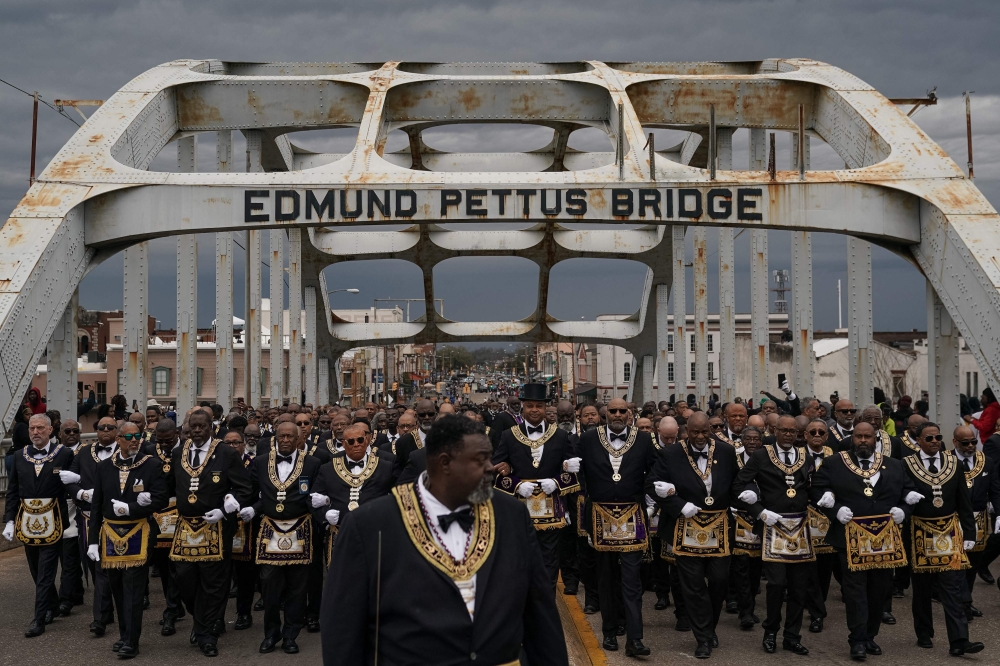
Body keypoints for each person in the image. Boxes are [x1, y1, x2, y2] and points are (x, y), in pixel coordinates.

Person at [322, 414, 568, 665]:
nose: (490, 468)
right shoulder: (371, 525)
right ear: (445, 463)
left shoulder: (511, 513)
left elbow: (540, 613)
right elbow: (342, 629)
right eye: (479, 460)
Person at [809, 421, 918, 661]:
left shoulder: (895, 465)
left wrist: (903, 511)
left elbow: (908, 494)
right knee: (855, 590)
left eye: (867, 437)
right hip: (850, 537)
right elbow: (817, 490)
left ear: (876, 439)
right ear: (852, 438)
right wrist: (835, 509)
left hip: (884, 539)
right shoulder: (834, 463)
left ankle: (870, 635)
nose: (862, 441)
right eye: (858, 436)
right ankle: (857, 639)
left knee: (879, 590)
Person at [170, 409, 252, 657]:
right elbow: (165, 488)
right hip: (185, 526)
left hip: (215, 527)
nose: (196, 431)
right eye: (192, 427)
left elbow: (244, 489)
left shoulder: (226, 453)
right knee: (185, 581)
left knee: (214, 584)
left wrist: (227, 509)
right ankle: (201, 620)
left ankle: (207, 635)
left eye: (201, 427)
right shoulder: (178, 453)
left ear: (211, 428)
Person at [87, 421, 168, 658]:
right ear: (119, 439)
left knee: (133, 588)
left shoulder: (151, 464)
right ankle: (124, 635)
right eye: (129, 436)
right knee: (117, 587)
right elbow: (96, 505)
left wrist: (133, 508)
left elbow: (161, 499)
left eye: (138, 435)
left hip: (139, 531)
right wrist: (93, 540)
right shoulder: (104, 467)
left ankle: (132, 640)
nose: (134, 440)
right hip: (110, 534)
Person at [240, 421, 322, 654]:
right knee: (269, 587)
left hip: (300, 528)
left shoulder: (313, 463)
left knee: (297, 588)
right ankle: (271, 634)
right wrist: (252, 509)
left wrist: (322, 506)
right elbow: (253, 493)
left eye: (289, 436)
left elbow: (314, 496)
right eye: (281, 436)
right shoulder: (261, 461)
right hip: (270, 529)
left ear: (299, 439)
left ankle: (290, 635)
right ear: (275, 438)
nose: (285, 440)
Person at [733, 415, 813, 655]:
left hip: (799, 527)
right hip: (773, 525)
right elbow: (739, 485)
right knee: (776, 584)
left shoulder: (805, 456)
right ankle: (770, 632)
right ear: (775, 431)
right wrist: (758, 511)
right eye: (784, 431)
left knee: (799, 588)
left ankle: (792, 636)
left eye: (793, 432)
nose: (789, 435)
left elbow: (811, 486)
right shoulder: (761, 456)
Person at [902, 422, 983, 655]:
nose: (935, 441)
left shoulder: (954, 464)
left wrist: (970, 533)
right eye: (929, 438)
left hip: (948, 532)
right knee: (922, 589)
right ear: (919, 440)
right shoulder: (906, 465)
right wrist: (907, 495)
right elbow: (899, 492)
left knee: (952, 588)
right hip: (918, 532)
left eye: (938, 437)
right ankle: (924, 632)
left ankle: (959, 641)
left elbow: (963, 502)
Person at [492, 383, 580, 591]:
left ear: (545, 409)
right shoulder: (509, 435)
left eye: (538, 406)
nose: (534, 410)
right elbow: (494, 472)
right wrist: (516, 485)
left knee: (549, 564)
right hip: (519, 512)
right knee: (521, 563)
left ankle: (545, 612)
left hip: (551, 514)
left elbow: (574, 473)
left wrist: (557, 481)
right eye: (529, 405)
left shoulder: (560, 436)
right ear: (523, 407)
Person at [2, 414, 76, 637]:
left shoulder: (64, 453)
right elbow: (13, 491)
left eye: (40, 428)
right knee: (36, 570)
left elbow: (70, 486)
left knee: (46, 570)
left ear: (50, 430)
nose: (35, 432)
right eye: (32, 428)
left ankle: (39, 618)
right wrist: (9, 520)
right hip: (26, 522)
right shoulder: (18, 456)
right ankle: (51, 604)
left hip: (53, 520)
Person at [68, 415, 120, 635]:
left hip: (117, 519)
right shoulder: (82, 453)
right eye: (101, 427)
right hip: (88, 517)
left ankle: (100, 618)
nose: (105, 430)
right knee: (94, 566)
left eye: (110, 427)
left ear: (117, 430)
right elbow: (68, 479)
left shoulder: (127, 451)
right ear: (96, 430)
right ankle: (104, 614)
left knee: (108, 569)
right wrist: (80, 493)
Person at [141, 417, 185, 635]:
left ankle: (177, 606)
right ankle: (172, 607)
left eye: (168, 441)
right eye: (161, 441)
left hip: (182, 512)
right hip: (158, 512)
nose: (165, 445)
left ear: (176, 434)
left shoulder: (186, 450)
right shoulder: (149, 450)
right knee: (164, 564)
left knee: (180, 565)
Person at [954, 424, 1000, 619]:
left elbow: (996, 490)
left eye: (974, 441)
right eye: (965, 443)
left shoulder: (986, 462)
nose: (971, 446)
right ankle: (959, 603)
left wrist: (999, 514)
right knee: (956, 564)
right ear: (955, 442)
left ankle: (967, 601)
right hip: (953, 520)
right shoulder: (946, 460)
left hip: (978, 520)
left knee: (972, 565)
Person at [801, 418, 838, 633]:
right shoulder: (796, 455)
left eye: (820, 432)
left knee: (825, 569)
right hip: (803, 515)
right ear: (805, 435)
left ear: (826, 436)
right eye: (812, 432)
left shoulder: (835, 456)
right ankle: (816, 612)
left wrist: (832, 494)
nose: (816, 435)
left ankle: (818, 604)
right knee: (807, 568)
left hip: (826, 516)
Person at [727, 425, 763, 631]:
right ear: (741, 441)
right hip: (738, 516)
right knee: (740, 565)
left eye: (755, 439)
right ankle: (745, 611)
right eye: (748, 439)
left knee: (756, 568)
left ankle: (750, 605)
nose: (752, 442)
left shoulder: (766, 459)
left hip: (760, 517)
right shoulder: (735, 459)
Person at [223, 428, 257, 632]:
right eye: (228, 443)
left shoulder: (254, 464)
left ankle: (244, 613)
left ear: (244, 444)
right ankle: (217, 617)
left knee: (245, 574)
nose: (233, 446)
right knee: (221, 574)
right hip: (221, 520)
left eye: (237, 442)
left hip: (247, 523)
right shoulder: (217, 463)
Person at [56, 419, 85, 615]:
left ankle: (65, 598)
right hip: (59, 507)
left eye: (75, 431)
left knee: (71, 554)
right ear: (60, 433)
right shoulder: (54, 453)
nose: (72, 433)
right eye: (67, 431)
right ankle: (75, 592)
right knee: (67, 555)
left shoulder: (87, 453)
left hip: (79, 505)